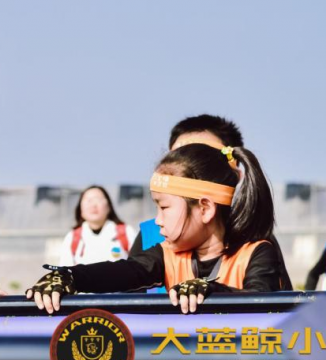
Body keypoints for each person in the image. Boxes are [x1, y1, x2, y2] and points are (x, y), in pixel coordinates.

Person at [26, 143, 288, 314]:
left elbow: (260, 298)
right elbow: (124, 271)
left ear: (205, 208)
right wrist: (70, 277)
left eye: (164, 207)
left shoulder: (257, 252)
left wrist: (211, 289)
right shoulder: (167, 254)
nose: (158, 220)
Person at [129, 114, 245, 256]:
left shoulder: (254, 243)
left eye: (201, 158)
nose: (189, 164)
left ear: (236, 175)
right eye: (179, 157)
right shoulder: (150, 236)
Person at [58, 186, 135, 266]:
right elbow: (65, 270)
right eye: (89, 200)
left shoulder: (126, 232)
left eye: (98, 199)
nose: (93, 205)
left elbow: (138, 267)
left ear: (109, 207)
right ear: (80, 209)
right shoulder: (72, 237)